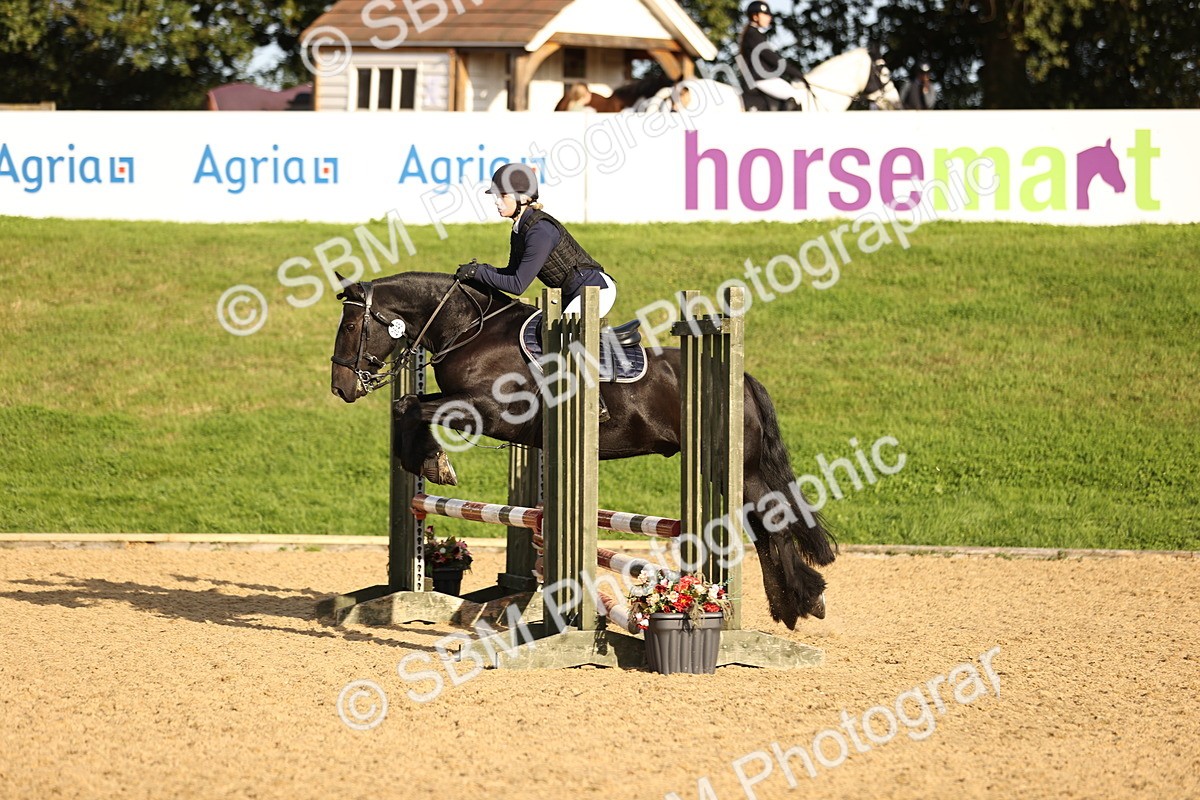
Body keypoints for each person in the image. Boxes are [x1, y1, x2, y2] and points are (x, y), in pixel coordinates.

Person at [455, 162, 617, 419]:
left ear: (522, 198)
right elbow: (509, 274)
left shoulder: (540, 230)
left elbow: (518, 284)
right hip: (573, 292)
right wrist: (480, 274)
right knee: (543, 335)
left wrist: (479, 272)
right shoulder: (520, 228)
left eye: (502, 196)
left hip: (594, 290)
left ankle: (596, 402)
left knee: (563, 337)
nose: (497, 202)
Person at [738, 1, 808, 110]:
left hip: (762, 77)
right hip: (760, 78)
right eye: (765, 15)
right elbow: (771, 58)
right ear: (755, 16)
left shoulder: (755, 34)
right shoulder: (753, 34)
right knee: (794, 95)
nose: (769, 18)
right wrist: (796, 73)